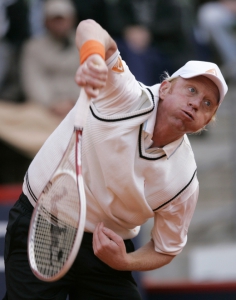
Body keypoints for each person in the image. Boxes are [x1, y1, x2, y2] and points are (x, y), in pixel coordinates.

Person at [3, 19, 228, 299]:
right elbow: (89, 27)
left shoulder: (183, 180)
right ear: (166, 87)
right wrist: (93, 58)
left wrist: (124, 262)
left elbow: (164, 248)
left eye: (208, 104)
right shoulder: (124, 94)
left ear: (207, 121)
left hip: (106, 249)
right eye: (192, 90)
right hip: (44, 221)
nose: (196, 103)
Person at [20, 0, 80, 118]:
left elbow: (91, 79)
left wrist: (73, 102)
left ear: (72, 20)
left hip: (79, 105)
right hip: (44, 108)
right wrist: (52, 104)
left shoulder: (85, 45)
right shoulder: (33, 47)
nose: (59, 24)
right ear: (45, 22)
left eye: (62, 19)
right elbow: (33, 80)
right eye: (55, 20)